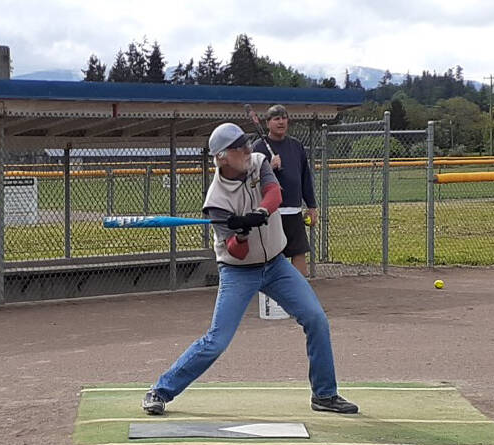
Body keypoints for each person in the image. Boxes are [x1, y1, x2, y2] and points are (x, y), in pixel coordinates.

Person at [141, 122, 358, 416]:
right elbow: (236, 251)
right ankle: (161, 390)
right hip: (238, 272)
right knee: (216, 341)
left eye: (245, 143)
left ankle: (325, 395)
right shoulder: (216, 202)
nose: (245, 149)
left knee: (316, 319)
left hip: (277, 265)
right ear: (221, 157)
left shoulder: (258, 162)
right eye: (237, 147)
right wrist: (240, 233)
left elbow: (274, 194)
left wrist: (259, 213)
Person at [253, 104, 317, 277]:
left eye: (284, 118)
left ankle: (300, 290)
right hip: (271, 211)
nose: (281, 122)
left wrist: (311, 206)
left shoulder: (296, 146)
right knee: (273, 253)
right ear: (268, 123)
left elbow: (305, 178)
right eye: (276, 118)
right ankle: (272, 297)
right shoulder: (258, 148)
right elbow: (251, 181)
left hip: (294, 210)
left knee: (299, 251)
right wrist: (270, 167)